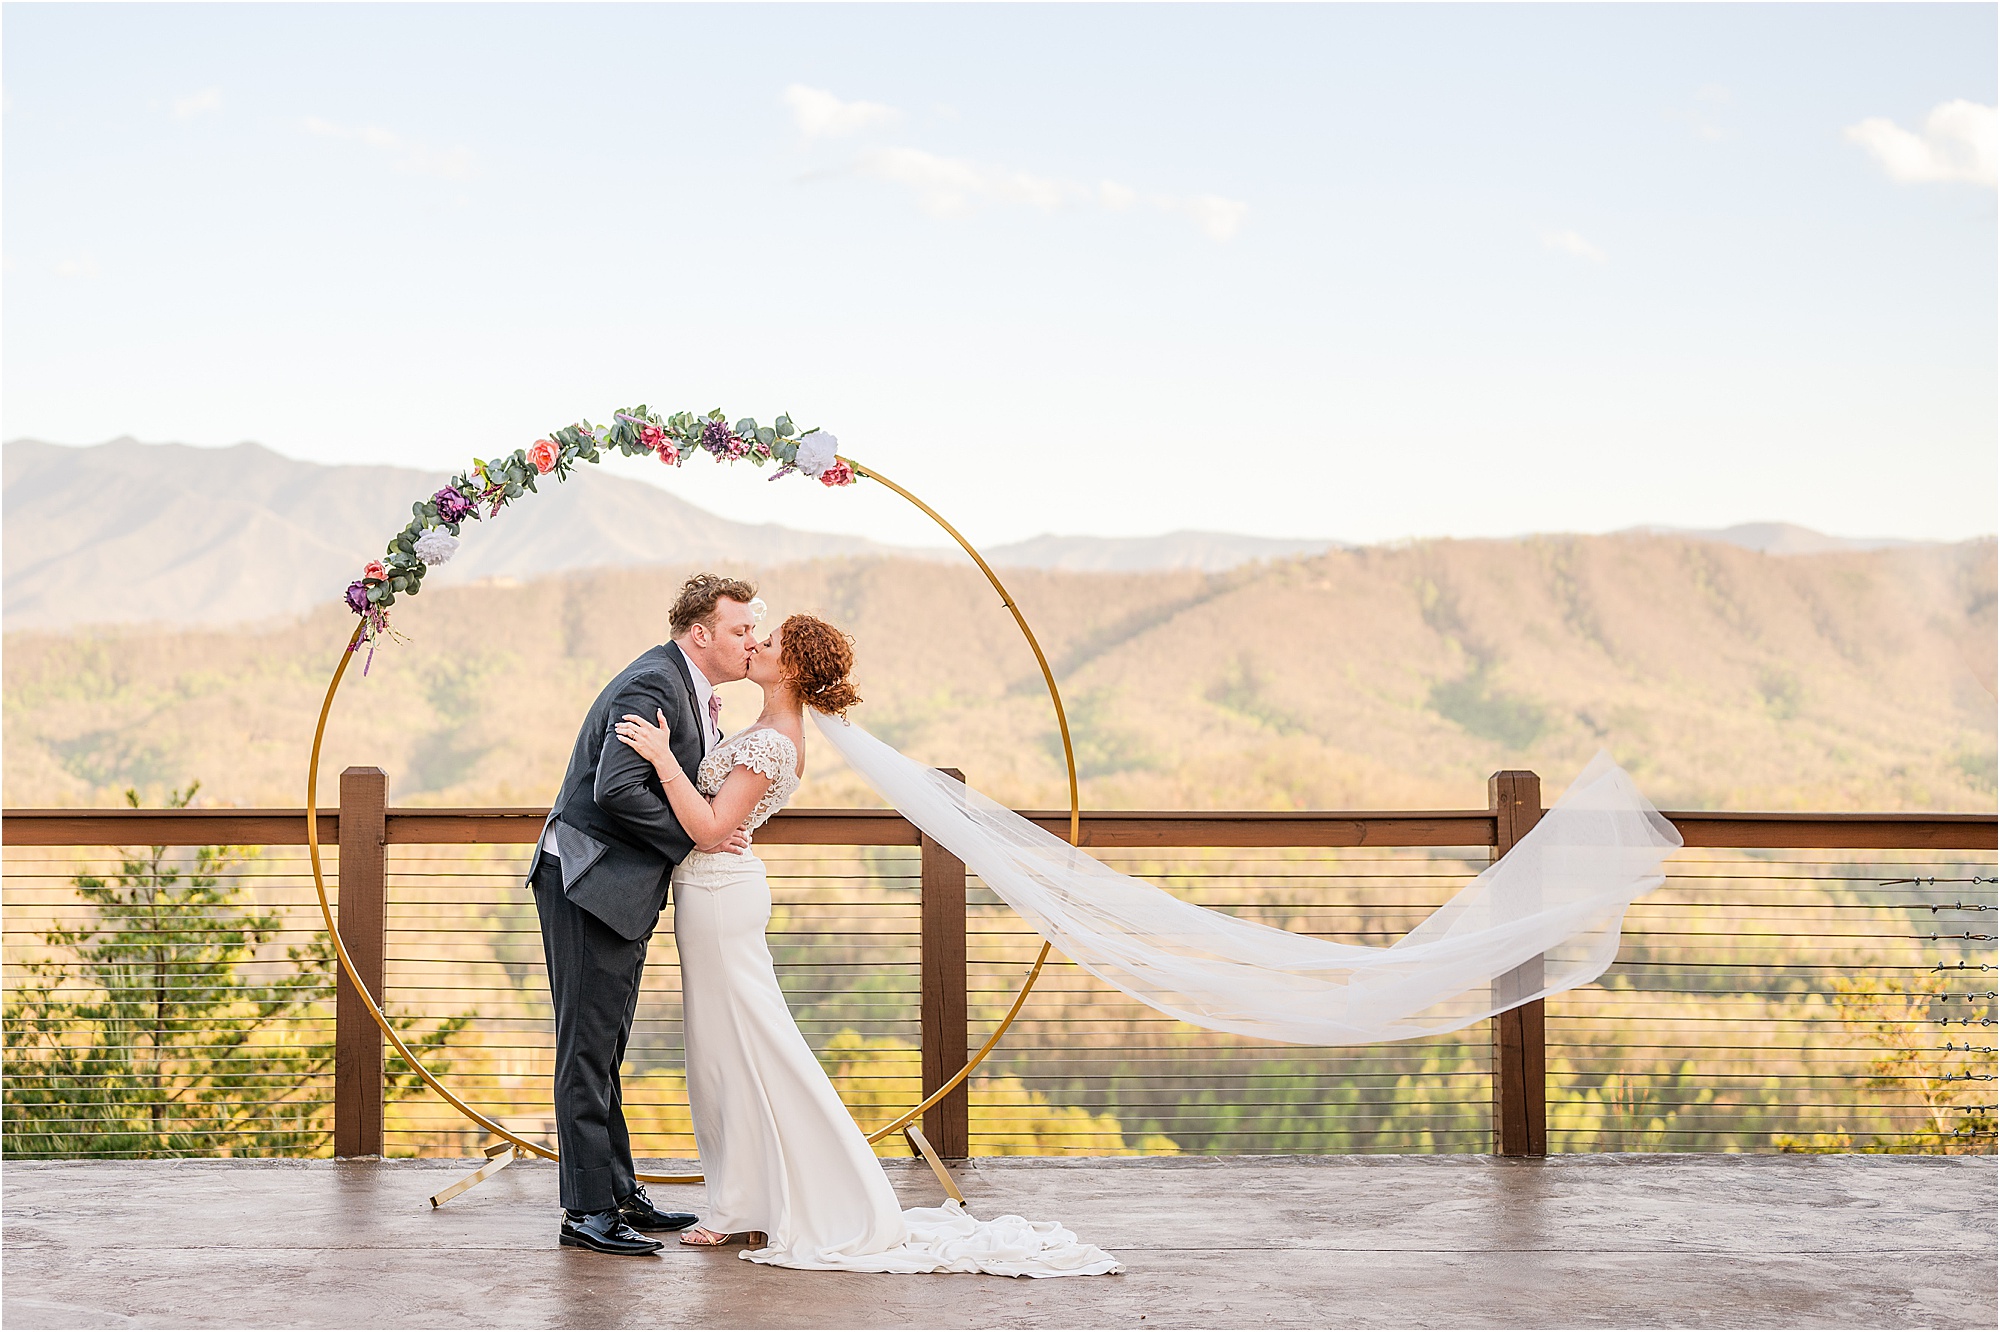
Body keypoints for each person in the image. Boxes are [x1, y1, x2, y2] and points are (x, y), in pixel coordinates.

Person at [613, 613, 1121, 1276]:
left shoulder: (772, 742)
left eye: (767, 644)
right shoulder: (765, 729)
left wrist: (658, 759)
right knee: (719, 1052)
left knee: (750, 1045)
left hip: (719, 897)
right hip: (709, 893)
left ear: (790, 668)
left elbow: (710, 825)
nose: (755, 646)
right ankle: (743, 1201)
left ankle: (769, 1202)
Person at [529, 573, 760, 1256]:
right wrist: (702, 834)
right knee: (586, 1050)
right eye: (739, 629)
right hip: (589, 881)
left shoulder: (680, 684)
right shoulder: (654, 685)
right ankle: (586, 1213)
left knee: (606, 1048)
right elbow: (616, 788)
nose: (751, 639)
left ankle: (618, 1192)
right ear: (700, 635)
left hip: (615, 887)